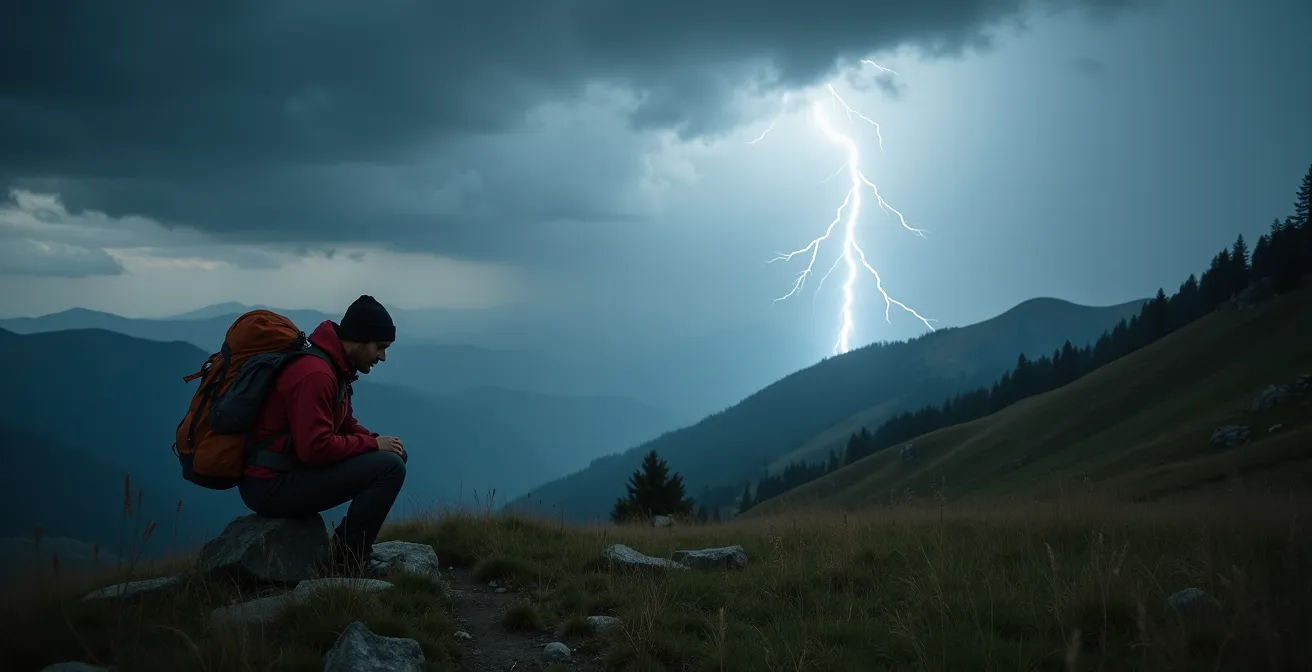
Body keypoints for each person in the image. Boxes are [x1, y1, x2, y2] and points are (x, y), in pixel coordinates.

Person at [238, 294, 408, 574]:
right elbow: (315, 448)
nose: (382, 357)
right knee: (388, 468)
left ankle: (349, 549)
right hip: (270, 485)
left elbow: (342, 422)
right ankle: (347, 562)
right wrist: (370, 445)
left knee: (394, 455)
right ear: (359, 338)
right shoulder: (316, 374)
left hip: (287, 473)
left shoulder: (332, 365)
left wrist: (378, 442)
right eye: (380, 347)